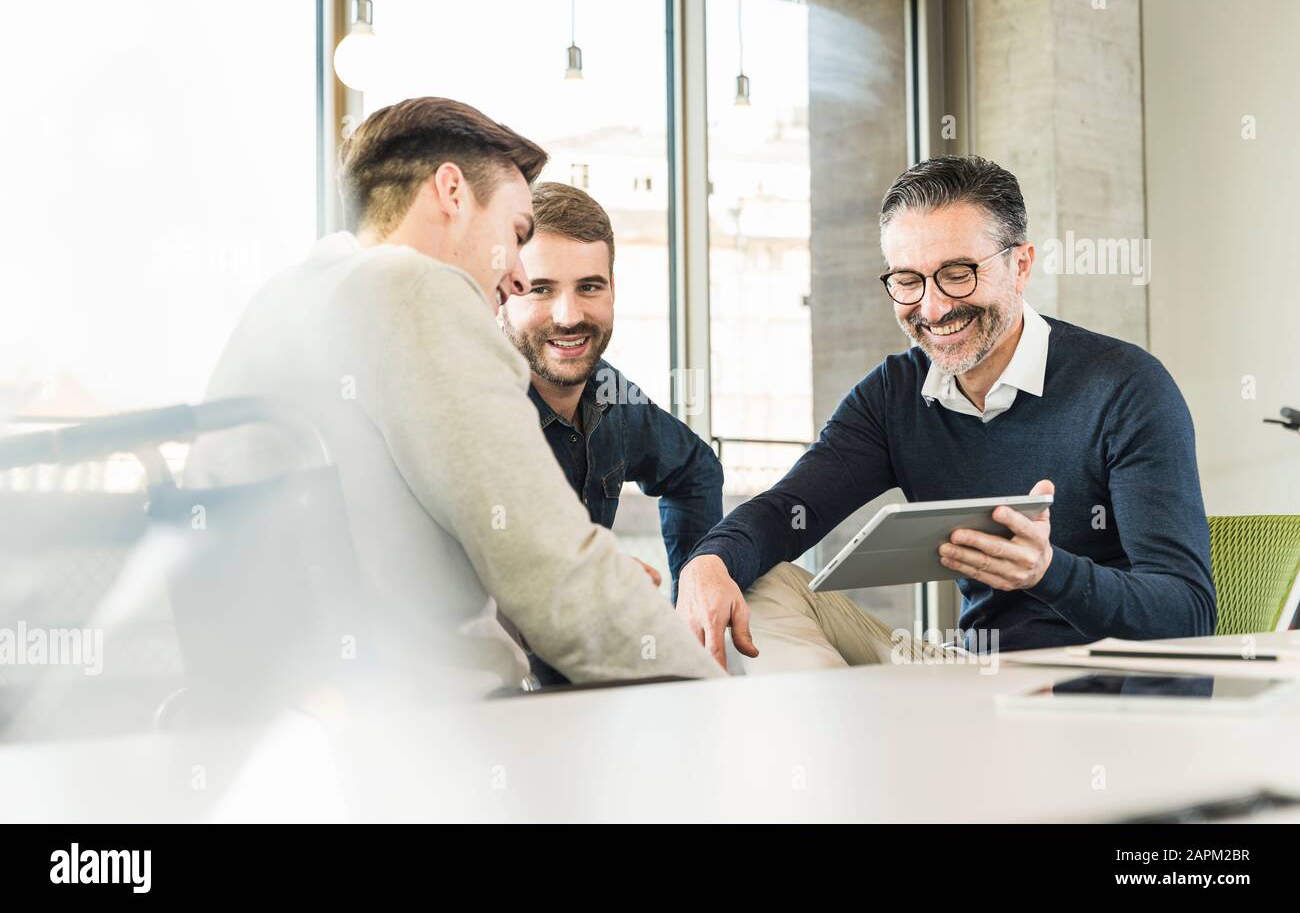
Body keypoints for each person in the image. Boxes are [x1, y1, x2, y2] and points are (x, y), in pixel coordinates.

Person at [186, 97, 720, 702]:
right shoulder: (415, 290)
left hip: (292, 706)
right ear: (451, 192)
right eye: (516, 234)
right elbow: (557, 578)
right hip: (440, 720)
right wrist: (714, 703)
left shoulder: (288, 296)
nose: (517, 276)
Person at [675, 155, 1216, 672]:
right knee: (755, 578)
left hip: (1097, 679)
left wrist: (1050, 572)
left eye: (958, 273)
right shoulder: (894, 394)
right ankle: (830, 729)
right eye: (908, 280)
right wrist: (708, 561)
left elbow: (1187, 615)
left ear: (1020, 265)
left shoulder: (1126, 387)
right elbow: (786, 511)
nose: (933, 308)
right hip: (968, 675)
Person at [499, 182, 724, 684]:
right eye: (540, 288)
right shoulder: (472, 402)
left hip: (591, 676)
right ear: (502, 292)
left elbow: (695, 469)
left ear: (613, 290)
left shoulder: (608, 391)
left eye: (589, 287)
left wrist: (693, 591)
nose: (569, 316)